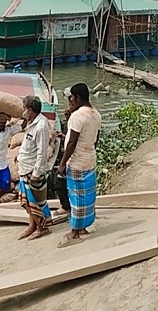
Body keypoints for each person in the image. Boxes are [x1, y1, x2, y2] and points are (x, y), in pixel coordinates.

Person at [57, 83, 101, 248]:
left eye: (71, 97)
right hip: (90, 159)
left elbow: (72, 143)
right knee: (87, 196)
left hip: (77, 162)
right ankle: (83, 227)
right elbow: (95, 139)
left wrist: (62, 164)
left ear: (77, 98)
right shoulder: (96, 114)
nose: (70, 100)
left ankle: (75, 232)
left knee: (75, 197)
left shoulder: (78, 116)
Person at [16, 95, 52, 241]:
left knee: (36, 201)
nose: (23, 111)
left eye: (24, 109)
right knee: (30, 204)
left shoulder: (41, 126)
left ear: (30, 110)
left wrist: (37, 173)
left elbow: (41, 151)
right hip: (25, 168)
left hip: (32, 171)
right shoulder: (31, 122)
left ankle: (42, 227)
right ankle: (32, 225)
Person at [53, 105, 74, 217]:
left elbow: (72, 141)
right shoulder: (71, 121)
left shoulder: (76, 120)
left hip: (72, 157)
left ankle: (66, 206)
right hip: (72, 157)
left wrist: (62, 164)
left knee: (59, 181)